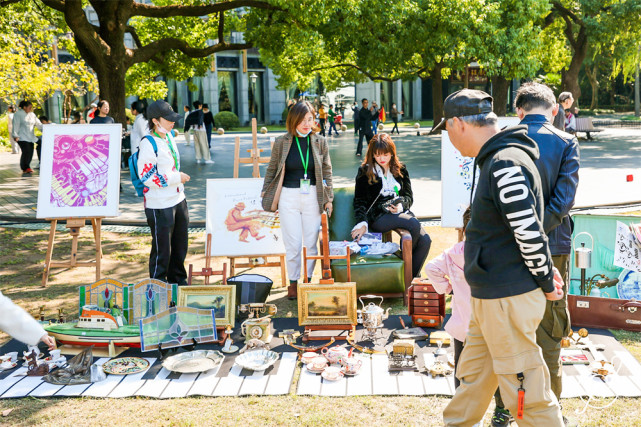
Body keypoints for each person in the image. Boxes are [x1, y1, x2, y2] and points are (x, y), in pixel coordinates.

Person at [433, 89, 564, 426]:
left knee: (527, 394)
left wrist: (547, 279)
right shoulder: (498, 159)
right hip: (489, 298)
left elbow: (527, 229)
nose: (448, 139)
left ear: (458, 124)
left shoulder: (505, 162)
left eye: (446, 130)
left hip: (506, 297)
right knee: (473, 381)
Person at [488, 81, 579, 427]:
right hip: (553, 246)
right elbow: (564, 198)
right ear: (554, 110)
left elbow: (490, 200)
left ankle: (503, 408)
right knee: (549, 331)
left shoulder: (501, 142)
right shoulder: (566, 141)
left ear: (519, 111)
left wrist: (521, 231)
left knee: (506, 330)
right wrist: (537, 231)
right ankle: (550, 410)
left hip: (507, 248)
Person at [261, 101, 334, 299]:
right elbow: (272, 168)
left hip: (312, 195)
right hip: (288, 196)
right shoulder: (282, 142)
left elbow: (327, 171)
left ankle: (308, 280)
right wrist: (265, 192)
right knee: (292, 242)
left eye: (310, 119)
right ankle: (293, 283)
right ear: (293, 120)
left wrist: (329, 198)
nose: (306, 124)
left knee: (311, 241)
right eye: (302, 120)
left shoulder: (320, 142)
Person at [351, 133, 431, 278]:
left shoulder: (401, 169)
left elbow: (408, 196)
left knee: (426, 240)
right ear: (372, 154)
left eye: (385, 155)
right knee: (413, 224)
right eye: (377, 155)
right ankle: (403, 270)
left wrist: (400, 206)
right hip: (378, 216)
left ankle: (409, 278)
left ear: (392, 153)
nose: (382, 159)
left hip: (399, 212)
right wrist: (361, 222)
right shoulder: (365, 171)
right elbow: (359, 201)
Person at [139, 100, 191, 286]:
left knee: (180, 247)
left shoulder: (168, 137)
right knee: (163, 252)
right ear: (155, 121)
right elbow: (147, 177)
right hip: (159, 204)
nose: (172, 122)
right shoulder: (148, 143)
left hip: (178, 200)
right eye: (167, 119)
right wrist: (176, 177)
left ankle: (179, 285)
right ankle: (158, 288)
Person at [424, 207, 471, 389]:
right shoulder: (495, 252)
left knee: (461, 366)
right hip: (489, 324)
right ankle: (500, 408)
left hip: (462, 322)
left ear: (464, 229)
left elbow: (431, 268)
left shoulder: (454, 252)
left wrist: (448, 288)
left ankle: (460, 405)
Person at [12, 100, 42, 174]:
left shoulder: (32, 114)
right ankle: (25, 167)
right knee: (26, 151)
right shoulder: (18, 114)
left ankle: (39, 162)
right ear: (24, 107)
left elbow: (38, 124)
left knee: (32, 151)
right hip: (22, 137)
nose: (31, 109)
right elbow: (15, 125)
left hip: (31, 137)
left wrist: (45, 129)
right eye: (29, 107)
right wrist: (15, 135)